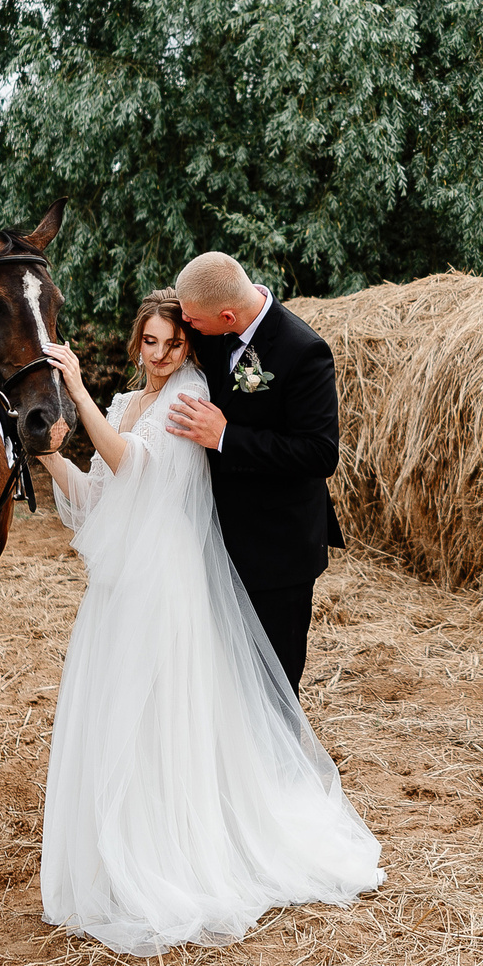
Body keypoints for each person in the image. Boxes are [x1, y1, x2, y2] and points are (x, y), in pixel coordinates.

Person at [34, 288, 381, 955]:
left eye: (172, 342)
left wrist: (74, 392)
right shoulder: (126, 405)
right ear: (137, 342)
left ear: (187, 347)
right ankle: (116, 852)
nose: (160, 356)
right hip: (119, 585)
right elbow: (97, 496)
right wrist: (51, 454)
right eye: (150, 342)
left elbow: (131, 461)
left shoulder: (189, 393)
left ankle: (168, 854)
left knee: (160, 714)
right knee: (120, 716)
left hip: (166, 580)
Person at [162, 250, 344, 691]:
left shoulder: (304, 352)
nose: (187, 325)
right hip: (215, 541)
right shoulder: (214, 329)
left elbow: (321, 453)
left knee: (273, 686)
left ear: (227, 314)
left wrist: (226, 436)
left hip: (277, 553)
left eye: (193, 319)